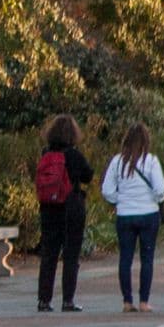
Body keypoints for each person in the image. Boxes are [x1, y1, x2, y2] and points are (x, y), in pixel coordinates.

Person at [99, 122, 164, 314]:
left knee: (125, 258)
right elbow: (160, 189)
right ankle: (144, 301)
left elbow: (107, 191)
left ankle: (127, 301)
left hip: (125, 215)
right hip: (148, 215)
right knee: (147, 258)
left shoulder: (118, 161)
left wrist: (120, 200)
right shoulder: (151, 161)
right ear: (146, 140)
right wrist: (156, 199)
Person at [31, 112, 93, 314]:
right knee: (71, 254)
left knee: (49, 254)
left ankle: (43, 300)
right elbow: (88, 175)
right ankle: (67, 300)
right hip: (71, 206)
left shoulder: (45, 154)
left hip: (48, 207)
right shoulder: (74, 155)